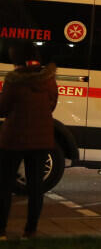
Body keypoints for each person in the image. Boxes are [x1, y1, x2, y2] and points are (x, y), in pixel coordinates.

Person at [0, 42, 58, 240]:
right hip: (41, 140)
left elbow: (3, 108)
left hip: (13, 139)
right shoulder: (49, 80)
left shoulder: (14, 81)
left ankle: (1, 232)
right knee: (35, 188)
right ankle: (30, 231)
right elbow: (52, 104)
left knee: (4, 185)